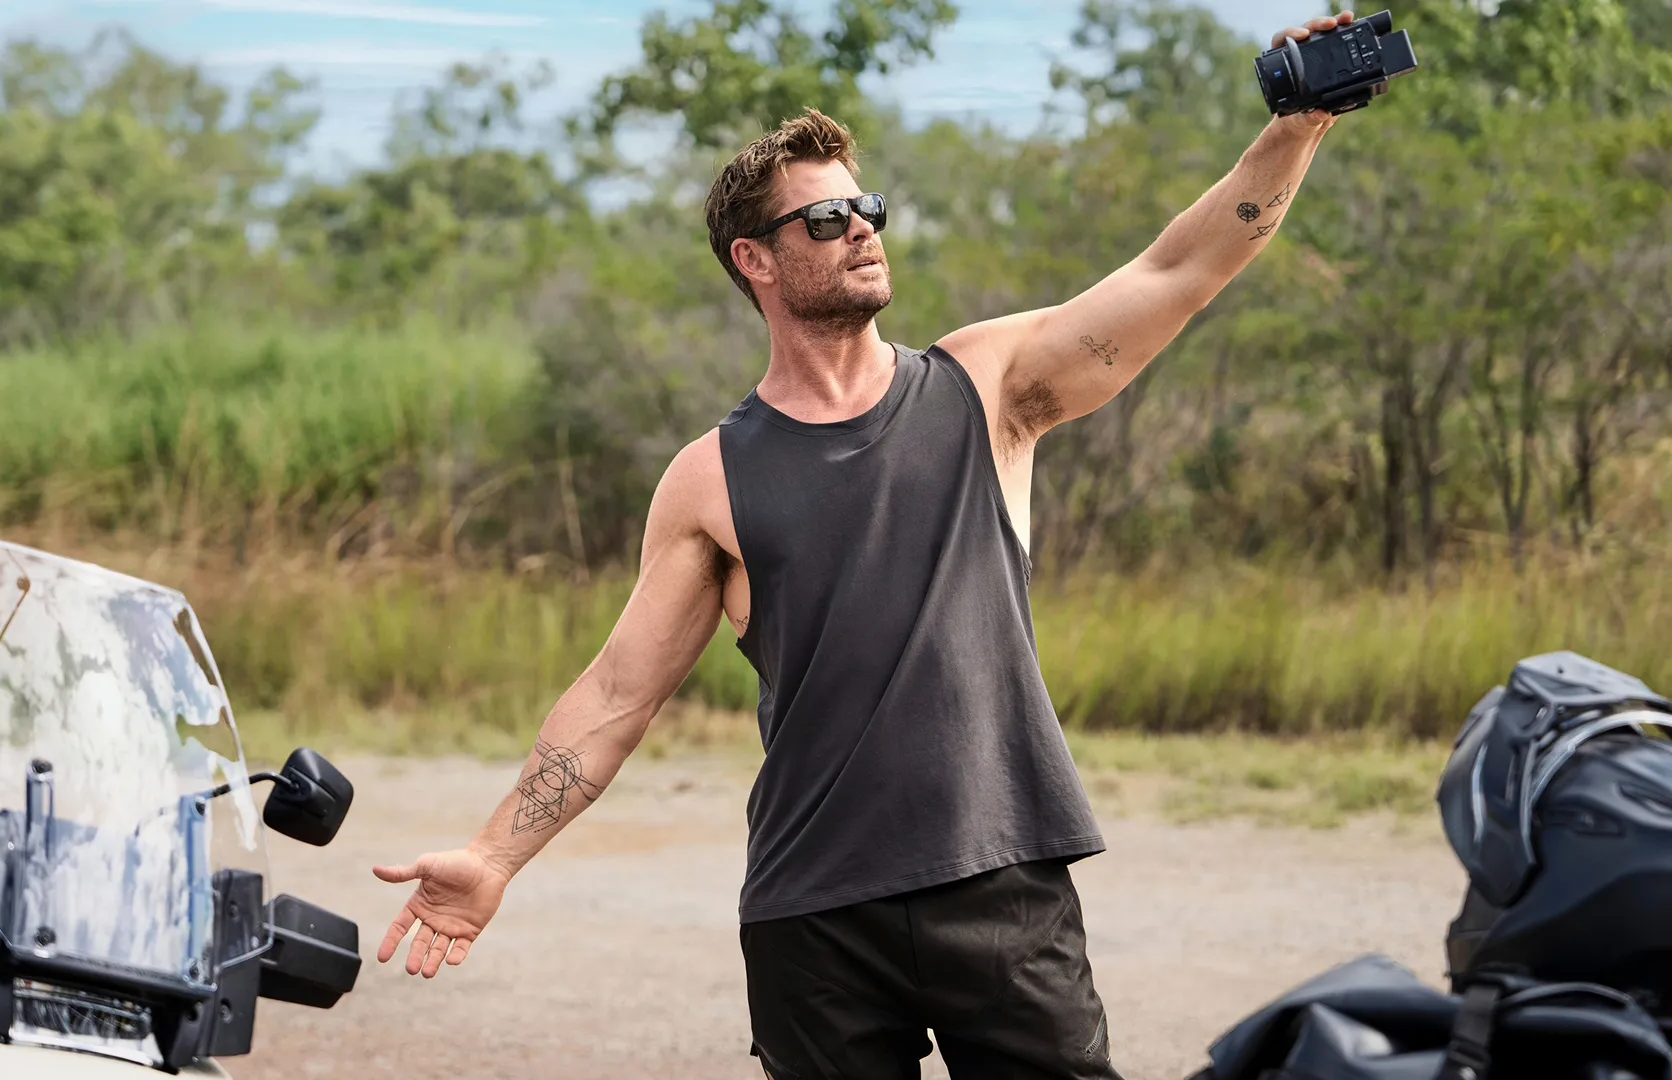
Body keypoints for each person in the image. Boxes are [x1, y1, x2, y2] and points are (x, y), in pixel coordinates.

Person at [371, 11, 1357, 1078]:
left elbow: (1179, 271)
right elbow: (618, 694)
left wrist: (1296, 128)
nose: (862, 229)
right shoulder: (709, 477)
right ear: (755, 259)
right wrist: (492, 854)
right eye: (827, 218)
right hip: (813, 913)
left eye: (868, 207)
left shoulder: (989, 387)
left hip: (1000, 878)